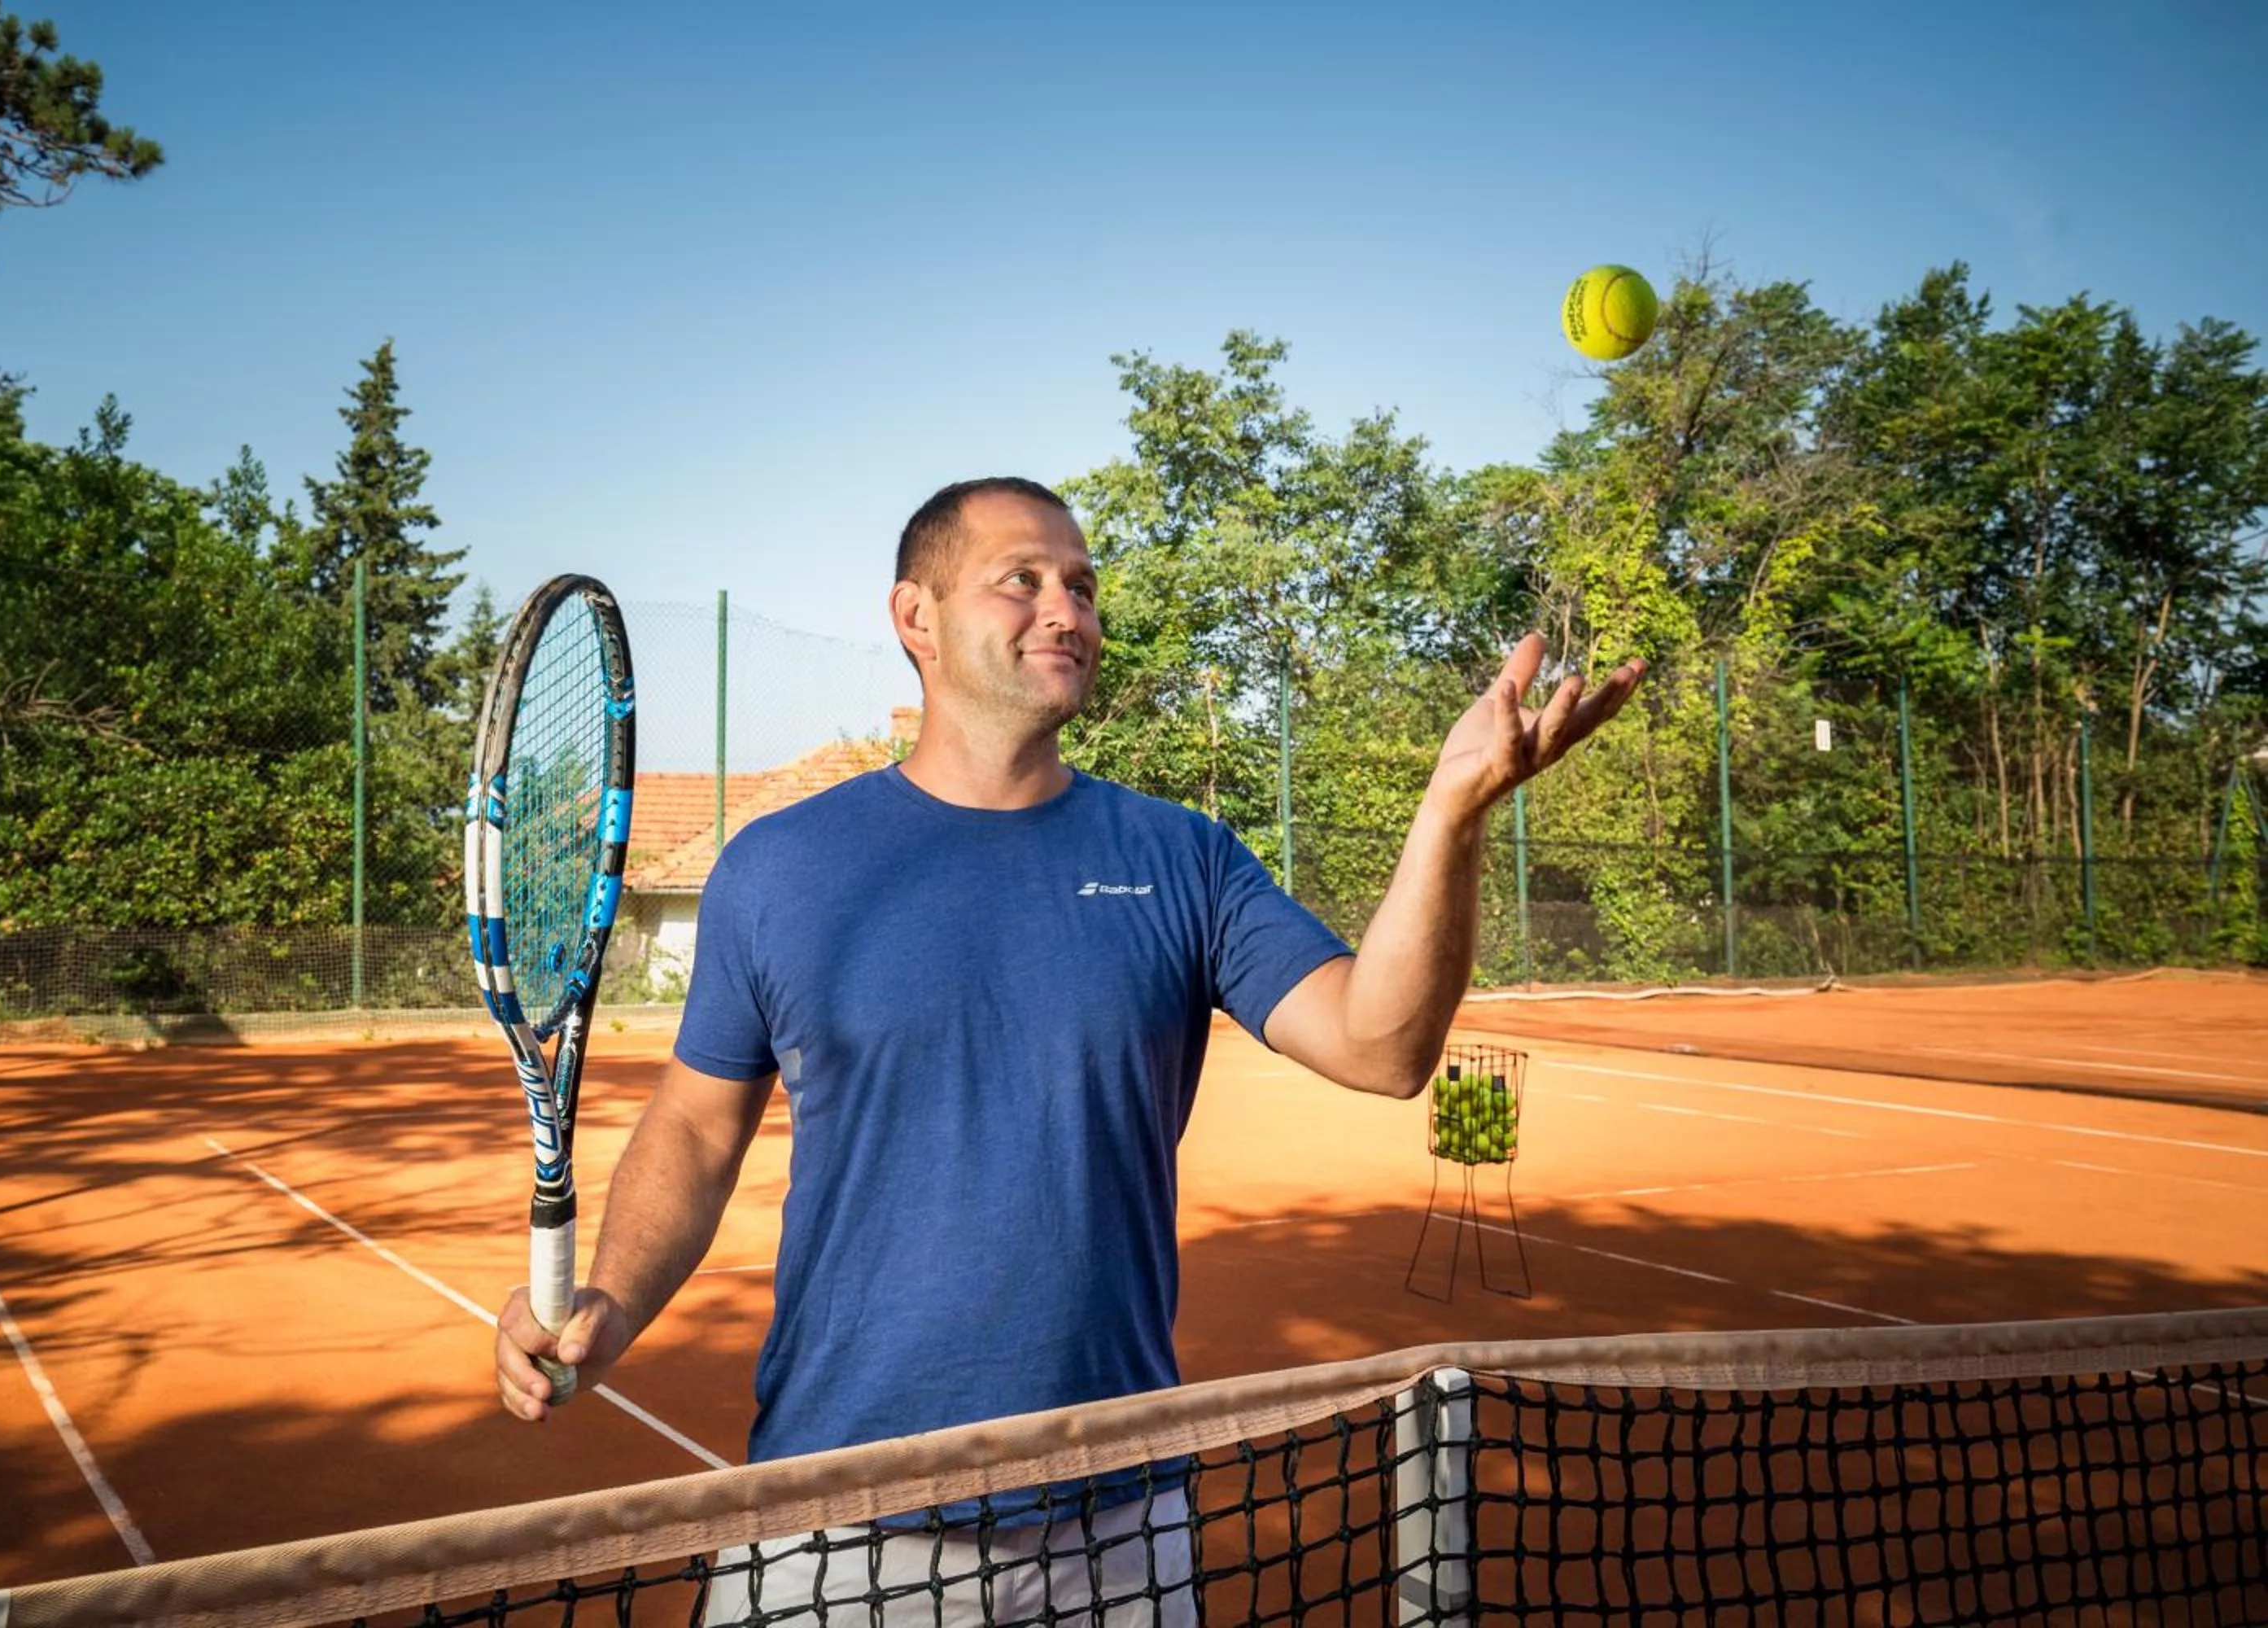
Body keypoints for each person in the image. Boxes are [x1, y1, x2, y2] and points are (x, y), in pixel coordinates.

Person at [493, 475, 1644, 1623]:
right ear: (918, 620)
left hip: (1121, 1529)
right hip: (836, 1524)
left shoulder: (1183, 857)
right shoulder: (779, 866)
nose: (1068, 610)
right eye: (1023, 582)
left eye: (1083, 587)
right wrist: (612, 1301)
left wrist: (1451, 812)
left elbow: (1384, 1047)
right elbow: (696, 1129)